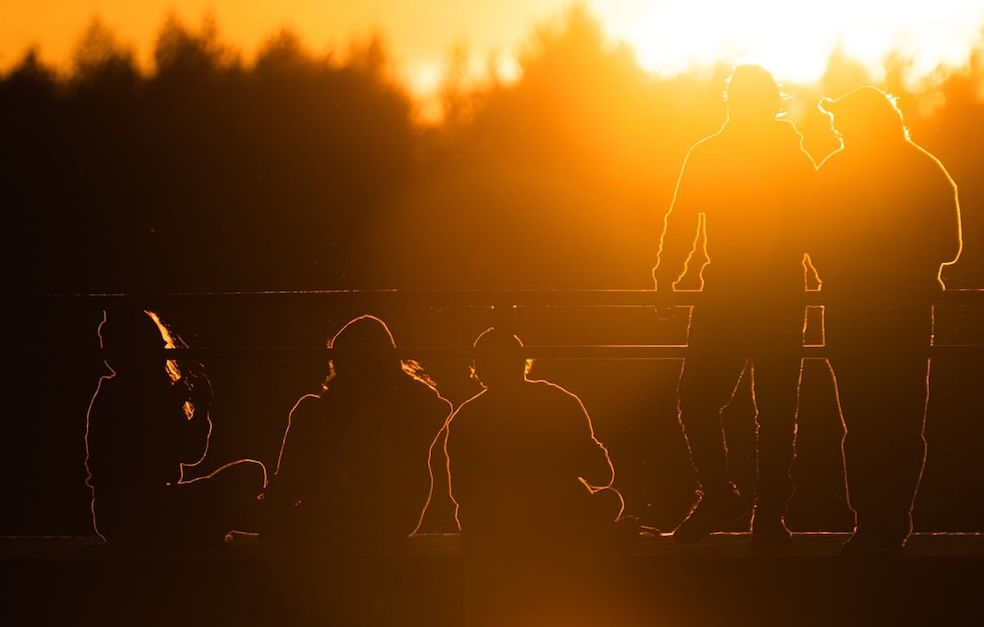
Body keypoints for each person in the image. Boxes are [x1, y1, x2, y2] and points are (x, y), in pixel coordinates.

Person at [653, 62, 816, 544]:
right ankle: (765, 515)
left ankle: (725, 497)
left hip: (730, 293)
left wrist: (667, 278)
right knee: (775, 408)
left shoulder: (710, 153)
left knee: (699, 399)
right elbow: (818, 227)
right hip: (779, 293)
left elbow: (680, 219)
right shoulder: (792, 155)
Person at [812, 86, 962, 554]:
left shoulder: (833, 171)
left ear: (863, 123)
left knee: (862, 422)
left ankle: (871, 522)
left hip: (852, 315)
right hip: (905, 314)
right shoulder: (926, 168)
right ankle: (893, 520)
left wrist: (849, 271)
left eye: (842, 119)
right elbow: (950, 248)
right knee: (901, 420)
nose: (835, 127)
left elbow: (814, 241)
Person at [262, 314, 453, 547]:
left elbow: (439, 411)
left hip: (386, 511)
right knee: (308, 406)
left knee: (369, 419)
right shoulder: (330, 404)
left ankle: (305, 520)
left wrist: (389, 408)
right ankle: (282, 506)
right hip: (333, 505)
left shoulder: (410, 397)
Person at [85, 307, 266, 547]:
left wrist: (200, 410)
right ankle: (277, 524)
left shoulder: (153, 393)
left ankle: (224, 526)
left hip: (153, 503)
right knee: (223, 495)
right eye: (156, 349)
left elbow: (191, 454)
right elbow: (140, 459)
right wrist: (170, 406)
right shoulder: (116, 395)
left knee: (250, 472)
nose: (162, 356)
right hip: (130, 511)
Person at [444, 327, 634, 555]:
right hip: (559, 520)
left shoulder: (465, 416)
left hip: (494, 529)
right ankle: (593, 538)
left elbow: (460, 492)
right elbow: (603, 475)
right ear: (523, 362)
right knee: (610, 500)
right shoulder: (558, 399)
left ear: (479, 369)